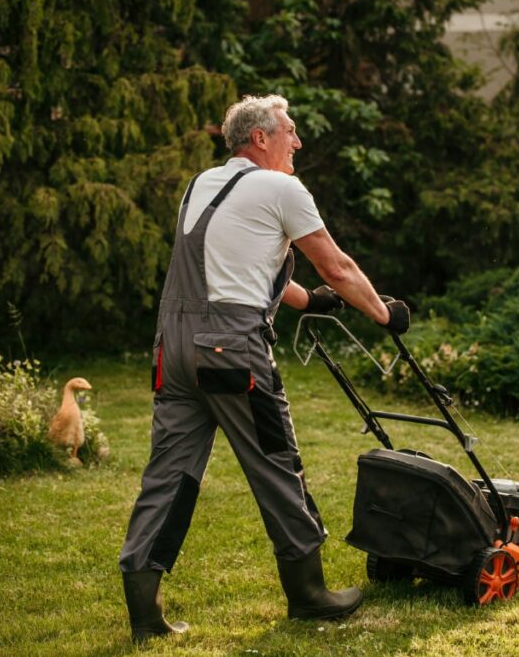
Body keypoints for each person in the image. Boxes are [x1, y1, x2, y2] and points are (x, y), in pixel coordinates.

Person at [119, 94, 410, 643]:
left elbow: (239, 266)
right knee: (277, 463)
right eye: (291, 131)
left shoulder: (201, 185)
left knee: (169, 476)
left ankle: (144, 613)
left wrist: (309, 302)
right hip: (232, 352)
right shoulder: (281, 188)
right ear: (260, 138)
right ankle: (309, 595)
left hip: (173, 351)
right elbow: (338, 265)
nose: (298, 142)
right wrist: (383, 313)